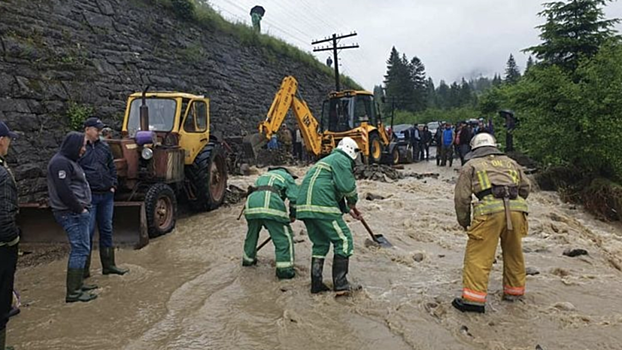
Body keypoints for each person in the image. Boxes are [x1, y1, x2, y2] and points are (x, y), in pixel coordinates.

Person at [452, 133, 530, 313]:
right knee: (514, 252)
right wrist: (515, 204)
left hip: (488, 212)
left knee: (478, 255)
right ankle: (514, 293)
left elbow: (461, 198)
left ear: (474, 149)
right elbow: (526, 187)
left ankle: (473, 300)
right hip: (517, 210)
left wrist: (464, 221)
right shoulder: (511, 162)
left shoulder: (471, 165)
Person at [297, 137, 363, 296]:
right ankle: (341, 285)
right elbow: (347, 186)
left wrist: (348, 209)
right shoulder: (342, 159)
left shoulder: (326, 160)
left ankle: (316, 284)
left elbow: (332, 188)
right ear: (351, 151)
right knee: (344, 239)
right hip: (322, 205)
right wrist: (353, 202)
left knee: (320, 243)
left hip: (305, 206)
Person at [47, 132, 98, 303]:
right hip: (71, 214)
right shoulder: (60, 163)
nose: (84, 149)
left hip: (75, 212)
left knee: (82, 248)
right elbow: (64, 191)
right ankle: (73, 292)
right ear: (73, 146)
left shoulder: (69, 161)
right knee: (79, 249)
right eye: (82, 146)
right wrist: (80, 209)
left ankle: (79, 284)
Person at [78, 117, 129, 279]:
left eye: (100, 129)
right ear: (87, 129)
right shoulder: (79, 148)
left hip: (107, 194)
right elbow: (74, 170)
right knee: (88, 231)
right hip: (90, 196)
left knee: (107, 229)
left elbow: (111, 166)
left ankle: (109, 266)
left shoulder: (104, 147)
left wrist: (113, 184)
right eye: (96, 129)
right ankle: (84, 271)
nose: (99, 132)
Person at [242, 167, 298, 279]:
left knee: (252, 235)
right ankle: (285, 271)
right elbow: (295, 198)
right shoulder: (287, 177)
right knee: (284, 238)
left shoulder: (262, 177)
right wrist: (293, 215)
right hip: (270, 204)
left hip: (251, 205)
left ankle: (248, 261)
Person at [0, 121, 18, 350]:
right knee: (2, 299)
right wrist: (13, 239)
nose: (9, 144)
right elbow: (4, 215)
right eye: (8, 139)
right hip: (3, 246)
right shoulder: (3, 175)